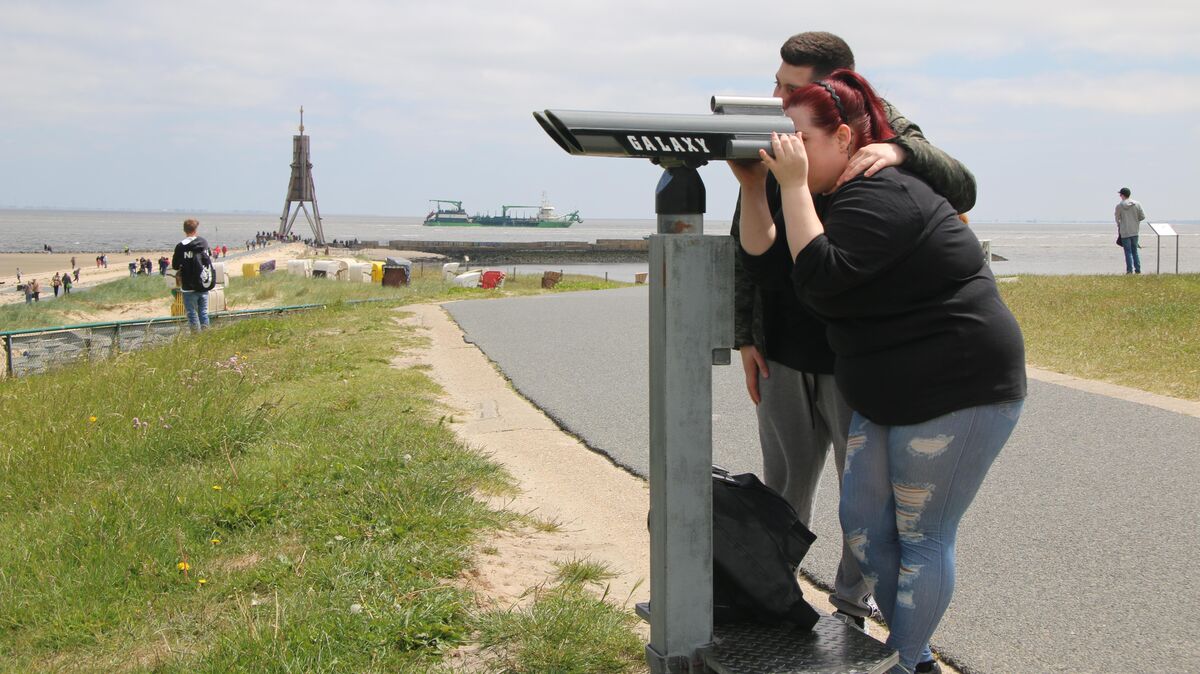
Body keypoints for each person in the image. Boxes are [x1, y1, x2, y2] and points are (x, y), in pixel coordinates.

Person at [732, 69, 1026, 674]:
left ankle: (907, 658)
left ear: (844, 138)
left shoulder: (880, 192)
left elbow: (822, 282)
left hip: (957, 383)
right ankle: (912, 655)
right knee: (865, 527)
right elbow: (767, 266)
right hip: (886, 384)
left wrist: (793, 186)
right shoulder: (820, 190)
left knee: (922, 534)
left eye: (801, 139)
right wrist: (758, 187)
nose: (788, 150)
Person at [172, 218, 213, 331]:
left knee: (191, 313)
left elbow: (175, 265)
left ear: (184, 230)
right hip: (203, 283)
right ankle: (206, 334)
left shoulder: (181, 246)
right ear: (196, 229)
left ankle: (196, 336)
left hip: (188, 286)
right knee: (203, 312)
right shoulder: (203, 243)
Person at [1115, 187, 1145, 274]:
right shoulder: (1137, 204)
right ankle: (1138, 270)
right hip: (1135, 231)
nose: (1120, 196)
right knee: (1135, 251)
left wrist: (1120, 225)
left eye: (1120, 194)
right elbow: (1142, 217)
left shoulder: (1119, 206)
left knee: (1128, 252)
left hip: (1125, 232)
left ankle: (1129, 271)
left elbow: (1117, 219)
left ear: (1122, 195)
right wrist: (1135, 221)